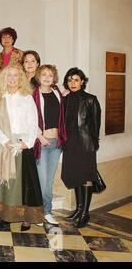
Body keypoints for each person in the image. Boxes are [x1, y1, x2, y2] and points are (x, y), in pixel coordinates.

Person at [0, 64, 44, 231]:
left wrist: (24, 143)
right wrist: (5, 140)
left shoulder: (27, 98)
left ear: (20, 78)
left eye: (15, 76)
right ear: (4, 78)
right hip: (4, 145)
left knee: (25, 184)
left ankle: (27, 218)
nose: (12, 79)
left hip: (22, 146)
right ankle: (6, 215)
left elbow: (33, 123)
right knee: (6, 184)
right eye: (9, 75)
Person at [61, 68, 101, 228]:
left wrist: (92, 144)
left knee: (86, 177)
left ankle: (85, 213)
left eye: (76, 80)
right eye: (70, 80)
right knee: (76, 176)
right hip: (70, 144)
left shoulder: (91, 99)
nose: (73, 83)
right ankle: (78, 210)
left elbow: (95, 125)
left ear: (82, 82)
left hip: (85, 145)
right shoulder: (65, 100)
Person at [32, 65, 66, 225]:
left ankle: (46, 211)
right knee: (42, 181)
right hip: (42, 143)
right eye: (44, 74)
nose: (46, 77)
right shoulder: (33, 95)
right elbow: (29, 118)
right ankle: (42, 212)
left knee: (49, 181)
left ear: (54, 78)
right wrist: (39, 136)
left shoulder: (57, 93)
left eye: (50, 75)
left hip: (56, 144)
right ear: (38, 76)